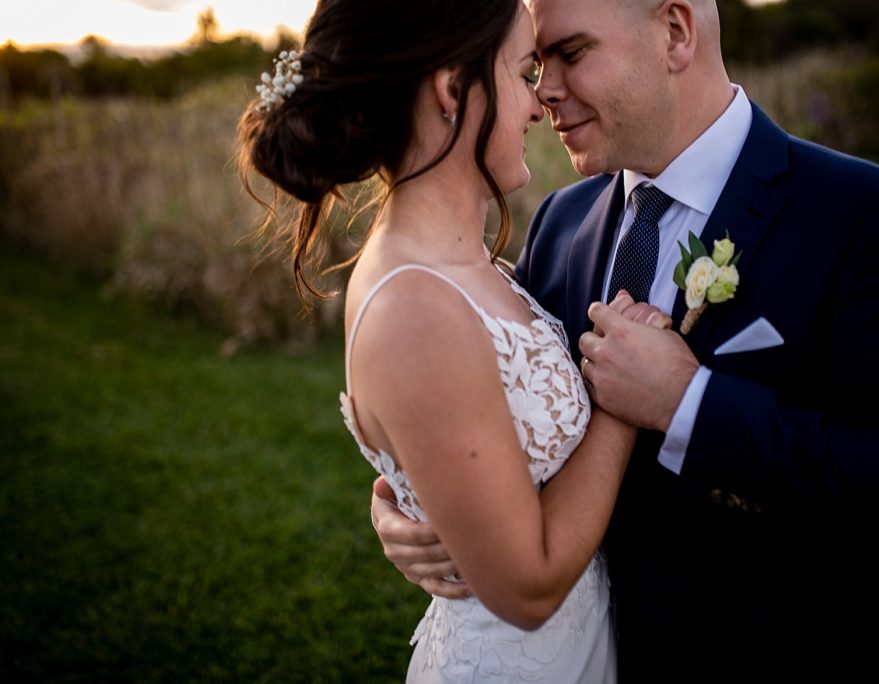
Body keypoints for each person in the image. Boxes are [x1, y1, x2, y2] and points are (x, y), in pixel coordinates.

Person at [371, 0, 879, 681]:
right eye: (538, 64)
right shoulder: (561, 220)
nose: (543, 90)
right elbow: (512, 427)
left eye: (570, 54)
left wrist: (690, 404)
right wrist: (412, 513)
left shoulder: (867, 219)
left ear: (675, 32)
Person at [238, 0, 679, 681]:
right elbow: (528, 588)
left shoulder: (471, 267)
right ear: (452, 89)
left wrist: (406, 502)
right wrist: (623, 403)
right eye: (521, 71)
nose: (539, 104)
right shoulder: (417, 307)